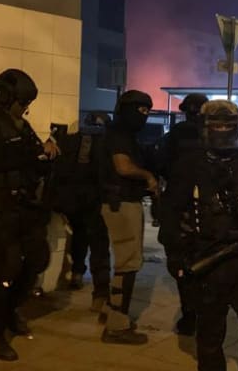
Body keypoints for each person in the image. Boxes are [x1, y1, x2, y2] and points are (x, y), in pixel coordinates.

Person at [160, 100, 238, 371]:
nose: (224, 130)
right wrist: (176, 256)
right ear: (206, 128)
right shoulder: (189, 165)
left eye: (229, 125)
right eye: (218, 125)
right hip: (207, 261)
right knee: (211, 335)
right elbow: (170, 213)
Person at [0, 69, 60, 362]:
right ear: (7, 98)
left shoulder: (23, 126)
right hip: (2, 208)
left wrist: (48, 155)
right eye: (22, 102)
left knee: (36, 261)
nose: (25, 108)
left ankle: (10, 311)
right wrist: (32, 152)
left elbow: (32, 161)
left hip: (26, 207)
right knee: (5, 269)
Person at [99, 90, 156, 345]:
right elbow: (123, 167)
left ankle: (111, 312)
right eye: (140, 110)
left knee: (126, 261)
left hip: (121, 201)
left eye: (147, 111)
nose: (143, 116)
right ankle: (117, 326)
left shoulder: (121, 132)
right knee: (128, 263)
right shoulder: (120, 134)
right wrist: (148, 177)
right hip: (121, 202)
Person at [156, 92, 207, 335]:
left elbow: (160, 164)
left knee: (181, 263)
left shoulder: (175, 135)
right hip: (207, 208)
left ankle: (190, 316)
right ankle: (205, 312)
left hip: (179, 205)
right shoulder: (214, 136)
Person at [50, 113, 111, 312]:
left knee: (80, 236)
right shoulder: (106, 143)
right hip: (95, 199)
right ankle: (100, 292)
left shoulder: (70, 140)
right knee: (99, 245)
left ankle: (77, 272)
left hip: (72, 200)